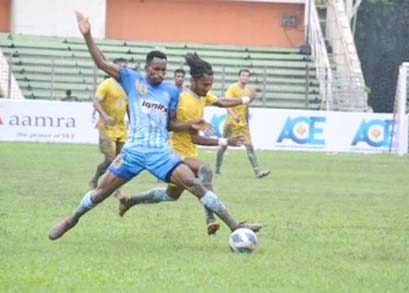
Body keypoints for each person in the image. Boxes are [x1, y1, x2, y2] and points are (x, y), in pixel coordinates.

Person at [48, 11, 262, 241]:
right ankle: (72, 220)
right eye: (156, 69)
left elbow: (170, 124)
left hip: (160, 152)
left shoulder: (170, 92)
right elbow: (101, 62)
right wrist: (88, 35)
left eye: (163, 70)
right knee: (101, 193)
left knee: (194, 184)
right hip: (133, 151)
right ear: (147, 68)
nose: (160, 74)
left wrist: (191, 123)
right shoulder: (131, 79)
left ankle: (235, 226)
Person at [118, 53, 258, 235]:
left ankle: (130, 201)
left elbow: (221, 101)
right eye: (205, 85)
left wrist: (246, 99)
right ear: (193, 81)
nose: (208, 89)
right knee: (205, 171)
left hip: (189, 152)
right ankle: (211, 218)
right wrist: (225, 141)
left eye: (210, 85)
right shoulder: (184, 100)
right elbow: (194, 137)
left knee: (171, 195)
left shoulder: (201, 95)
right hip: (174, 152)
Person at [215, 69, 270, 179]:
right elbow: (226, 103)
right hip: (230, 123)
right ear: (239, 76)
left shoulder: (248, 90)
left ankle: (257, 171)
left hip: (242, 124)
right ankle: (217, 170)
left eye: (247, 76)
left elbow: (247, 105)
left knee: (249, 146)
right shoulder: (232, 88)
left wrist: (253, 94)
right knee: (223, 146)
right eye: (243, 75)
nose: (245, 77)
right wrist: (233, 115)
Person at [88, 57, 129, 190]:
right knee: (111, 160)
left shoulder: (127, 85)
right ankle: (113, 188)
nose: (121, 69)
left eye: (124, 67)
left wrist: (134, 121)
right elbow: (96, 102)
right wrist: (105, 116)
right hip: (106, 128)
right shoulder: (106, 84)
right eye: (119, 67)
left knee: (119, 160)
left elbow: (128, 105)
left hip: (121, 128)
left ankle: (95, 178)